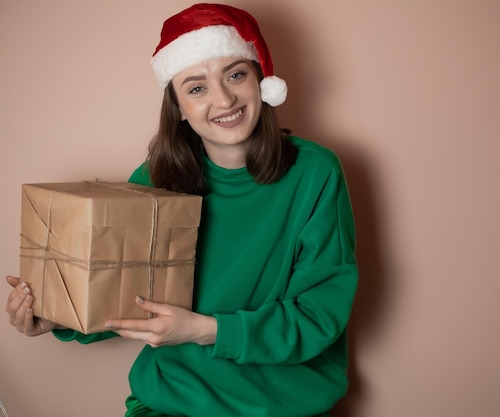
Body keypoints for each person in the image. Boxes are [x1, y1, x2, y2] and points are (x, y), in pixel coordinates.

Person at [5, 3, 358, 417]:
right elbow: (122, 293)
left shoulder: (315, 173)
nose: (223, 98)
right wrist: (56, 318)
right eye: (196, 88)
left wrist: (205, 331)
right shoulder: (155, 179)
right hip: (170, 403)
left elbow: (319, 315)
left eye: (235, 74)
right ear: (180, 109)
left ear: (261, 81)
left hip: (281, 405)